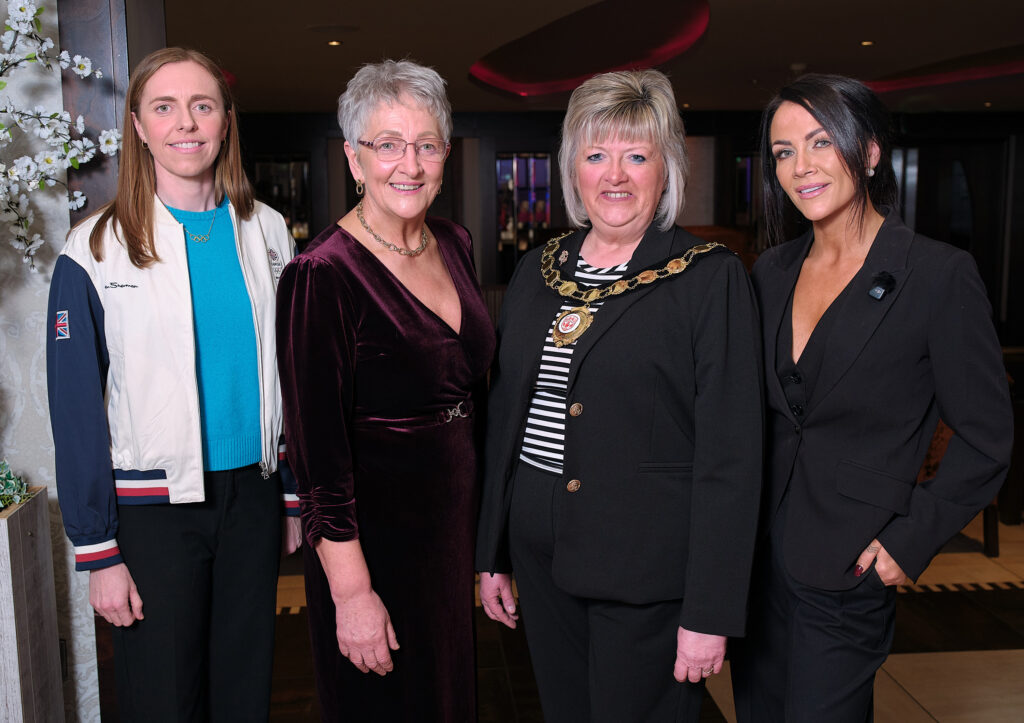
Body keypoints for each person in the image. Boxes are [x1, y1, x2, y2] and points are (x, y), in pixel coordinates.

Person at [475, 69, 763, 723]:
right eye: (596, 154)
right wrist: (491, 551)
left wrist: (710, 610)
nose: (615, 175)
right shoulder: (539, 269)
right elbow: (505, 419)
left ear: (667, 168)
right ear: (572, 167)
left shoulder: (707, 278)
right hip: (541, 557)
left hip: (648, 573)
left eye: (637, 155)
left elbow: (732, 456)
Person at [729, 74, 1014, 722]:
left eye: (821, 142)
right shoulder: (768, 273)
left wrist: (907, 542)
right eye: (782, 151)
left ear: (871, 150)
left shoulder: (937, 275)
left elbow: (986, 434)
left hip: (848, 566)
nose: (801, 167)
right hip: (754, 567)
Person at [46, 47, 299, 720]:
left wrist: (295, 491)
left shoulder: (270, 232)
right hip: (151, 512)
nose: (185, 123)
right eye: (165, 107)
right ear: (137, 125)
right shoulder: (93, 248)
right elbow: (74, 411)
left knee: (243, 694)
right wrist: (98, 550)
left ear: (225, 121)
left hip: (253, 497)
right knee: (163, 699)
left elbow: (294, 373)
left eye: (202, 105)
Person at [276, 59, 495, 721]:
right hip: (374, 544)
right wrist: (352, 593)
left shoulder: (453, 242)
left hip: (450, 533)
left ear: (445, 154)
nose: (410, 163)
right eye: (388, 144)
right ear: (353, 156)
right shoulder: (321, 274)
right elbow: (318, 459)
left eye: (427, 145)